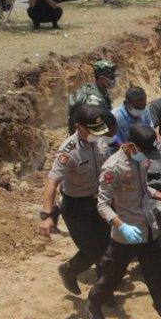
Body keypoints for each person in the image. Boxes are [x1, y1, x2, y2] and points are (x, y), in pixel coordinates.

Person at [86, 124, 161, 319]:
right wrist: (122, 226)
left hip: (148, 229)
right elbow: (102, 204)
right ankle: (93, 304)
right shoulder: (113, 168)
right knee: (112, 277)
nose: (146, 157)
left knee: (160, 278)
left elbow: (143, 187)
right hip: (126, 235)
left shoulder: (141, 160)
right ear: (130, 146)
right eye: (143, 152)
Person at [38, 105, 112, 295]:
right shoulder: (68, 151)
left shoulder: (100, 139)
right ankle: (69, 270)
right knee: (92, 252)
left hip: (100, 203)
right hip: (77, 208)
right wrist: (46, 215)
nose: (97, 134)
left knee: (106, 248)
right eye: (92, 130)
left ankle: (105, 292)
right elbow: (52, 182)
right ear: (79, 127)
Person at [68, 60, 118, 134]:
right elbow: (96, 128)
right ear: (102, 78)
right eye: (111, 77)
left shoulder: (97, 89)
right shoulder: (94, 100)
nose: (114, 80)